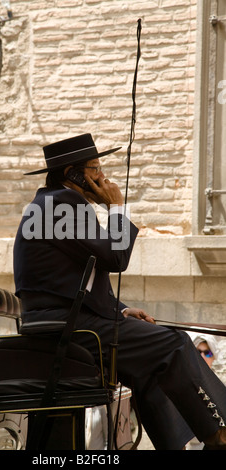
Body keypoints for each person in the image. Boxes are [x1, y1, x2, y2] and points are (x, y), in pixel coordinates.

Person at [13, 133, 226, 450]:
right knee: (173, 343)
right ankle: (218, 434)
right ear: (73, 172)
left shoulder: (53, 204)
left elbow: (80, 278)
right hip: (66, 327)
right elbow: (115, 257)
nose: (103, 176)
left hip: (68, 320)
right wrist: (117, 206)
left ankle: (183, 443)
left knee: (151, 363)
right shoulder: (61, 206)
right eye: (95, 168)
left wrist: (122, 310)